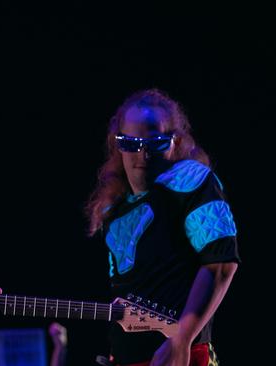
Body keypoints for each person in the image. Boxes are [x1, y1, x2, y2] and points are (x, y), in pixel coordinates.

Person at [84, 89, 239, 366]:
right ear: (117, 144)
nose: (142, 155)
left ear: (174, 142)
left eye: (154, 143)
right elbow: (125, 291)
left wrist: (181, 339)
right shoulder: (113, 209)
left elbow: (221, 262)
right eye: (130, 143)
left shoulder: (191, 182)